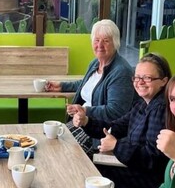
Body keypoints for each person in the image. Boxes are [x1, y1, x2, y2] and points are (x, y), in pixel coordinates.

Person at [72, 53, 171, 188]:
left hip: (148, 182)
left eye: (147, 78)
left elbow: (152, 159)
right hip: (132, 170)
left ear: (164, 81)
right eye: (137, 77)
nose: (140, 82)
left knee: (87, 176)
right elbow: (114, 127)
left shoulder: (160, 110)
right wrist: (86, 121)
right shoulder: (142, 105)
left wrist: (116, 146)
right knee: (86, 168)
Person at [45, 19, 135, 154]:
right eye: (96, 40)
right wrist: (61, 86)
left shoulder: (121, 72)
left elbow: (116, 112)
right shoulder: (95, 63)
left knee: (61, 150)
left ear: (115, 43)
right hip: (82, 121)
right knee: (50, 142)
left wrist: (85, 111)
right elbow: (85, 84)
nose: (100, 45)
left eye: (106, 40)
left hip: (98, 131)